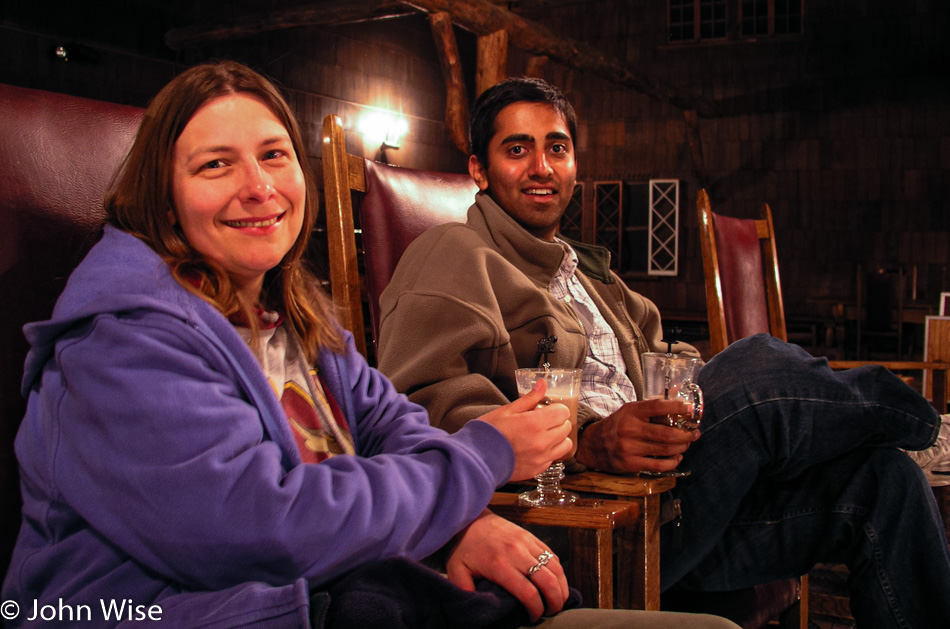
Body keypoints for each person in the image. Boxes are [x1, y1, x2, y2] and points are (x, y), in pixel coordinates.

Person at [1, 62, 740, 629]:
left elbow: (391, 421)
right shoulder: (120, 343)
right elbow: (268, 526)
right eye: (215, 165)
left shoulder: (286, 312)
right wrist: (481, 460)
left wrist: (460, 516)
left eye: (274, 155)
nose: (260, 188)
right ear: (162, 196)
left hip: (337, 586)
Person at [376, 76, 950, 628]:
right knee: (753, 366)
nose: (542, 167)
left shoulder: (586, 272)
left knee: (885, 481)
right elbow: (419, 412)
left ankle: (898, 440)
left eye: (557, 147)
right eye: (517, 149)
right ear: (479, 168)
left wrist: (685, 398)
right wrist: (588, 439)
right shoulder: (452, 253)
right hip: (582, 524)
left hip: (671, 506)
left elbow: (666, 360)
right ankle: (923, 426)